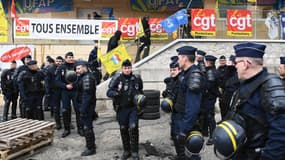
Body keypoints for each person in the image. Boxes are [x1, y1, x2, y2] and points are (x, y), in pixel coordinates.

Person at [215, 42, 285, 159]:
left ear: (246, 64)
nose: (235, 66)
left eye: (237, 62)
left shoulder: (270, 86)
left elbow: (281, 132)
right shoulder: (245, 83)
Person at [107, 60, 143, 160]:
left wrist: (141, 103)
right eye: (125, 68)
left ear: (131, 68)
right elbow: (109, 92)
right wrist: (116, 93)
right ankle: (126, 150)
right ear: (122, 69)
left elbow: (141, 91)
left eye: (128, 68)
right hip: (121, 108)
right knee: (123, 128)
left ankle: (135, 151)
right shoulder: (117, 78)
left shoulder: (137, 78)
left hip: (133, 108)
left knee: (133, 127)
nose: (127, 70)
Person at [174, 46, 203, 160]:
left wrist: (184, 130)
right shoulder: (186, 73)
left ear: (185, 58)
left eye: (179, 58)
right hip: (182, 119)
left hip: (189, 123)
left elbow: (193, 107)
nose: (178, 61)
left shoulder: (193, 75)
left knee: (191, 154)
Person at [55, 52, 82, 138]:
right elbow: (57, 81)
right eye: (69, 57)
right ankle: (67, 129)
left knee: (78, 110)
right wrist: (65, 86)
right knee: (65, 110)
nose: (71, 59)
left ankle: (80, 129)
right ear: (65, 58)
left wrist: (73, 85)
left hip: (75, 91)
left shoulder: (77, 66)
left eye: (72, 57)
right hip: (65, 91)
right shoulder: (61, 68)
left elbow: (80, 78)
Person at [75, 61, 97, 156]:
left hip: (86, 106)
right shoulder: (84, 77)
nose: (77, 71)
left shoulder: (87, 78)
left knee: (87, 127)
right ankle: (92, 145)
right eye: (76, 69)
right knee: (88, 127)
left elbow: (87, 96)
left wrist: (83, 110)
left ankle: (90, 148)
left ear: (85, 67)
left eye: (79, 68)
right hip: (86, 105)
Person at [200, 55, 219, 145]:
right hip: (208, 97)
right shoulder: (211, 71)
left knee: (210, 117)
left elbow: (209, 86)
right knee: (205, 115)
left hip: (209, 98)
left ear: (208, 62)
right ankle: (205, 132)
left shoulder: (211, 72)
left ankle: (212, 136)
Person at [161, 56, 181, 139]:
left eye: (174, 70)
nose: (172, 72)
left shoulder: (181, 80)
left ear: (179, 70)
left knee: (179, 125)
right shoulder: (171, 80)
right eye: (171, 70)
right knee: (173, 122)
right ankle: (173, 137)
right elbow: (168, 92)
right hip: (174, 107)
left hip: (180, 107)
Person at [219, 55, 239, 120]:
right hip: (225, 94)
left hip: (231, 95)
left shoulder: (235, 71)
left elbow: (232, 84)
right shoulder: (227, 70)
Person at [53, 56, 64, 129]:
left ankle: (67, 122)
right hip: (54, 91)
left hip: (64, 90)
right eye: (57, 61)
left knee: (65, 107)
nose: (58, 63)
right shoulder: (51, 69)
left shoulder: (64, 68)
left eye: (60, 61)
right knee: (56, 108)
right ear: (55, 62)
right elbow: (48, 81)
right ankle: (58, 123)